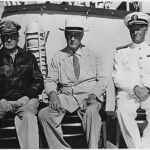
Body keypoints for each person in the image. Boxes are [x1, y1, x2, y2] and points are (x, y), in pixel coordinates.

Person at [38, 18, 112, 148]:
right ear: (65, 35)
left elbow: (103, 78)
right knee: (44, 114)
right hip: (66, 97)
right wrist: (53, 94)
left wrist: (94, 95)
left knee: (92, 113)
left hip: (88, 97)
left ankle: (93, 147)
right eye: (69, 34)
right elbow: (50, 80)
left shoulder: (93, 53)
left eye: (76, 35)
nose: (73, 38)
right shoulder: (58, 56)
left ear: (82, 35)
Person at [0, 20, 44, 148]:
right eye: (5, 36)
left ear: (18, 37)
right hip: (2, 101)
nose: (9, 40)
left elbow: (38, 81)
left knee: (29, 118)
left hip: (26, 100)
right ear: (1, 38)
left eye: (12, 36)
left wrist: (26, 96)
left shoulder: (29, 57)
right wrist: (1, 99)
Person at [113, 12, 150, 148]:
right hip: (128, 95)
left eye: (139, 28)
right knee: (122, 111)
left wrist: (147, 88)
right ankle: (135, 147)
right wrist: (135, 88)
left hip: (149, 93)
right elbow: (117, 77)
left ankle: (146, 146)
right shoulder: (121, 52)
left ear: (146, 29)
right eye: (132, 29)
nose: (135, 32)